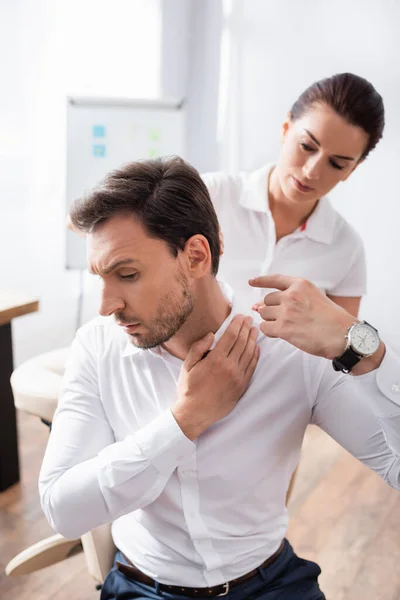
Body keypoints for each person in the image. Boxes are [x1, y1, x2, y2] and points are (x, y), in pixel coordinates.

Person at [40, 157, 400, 600]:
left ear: (195, 255)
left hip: (270, 584)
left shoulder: (289, 350)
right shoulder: (97, 346)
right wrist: (184, 421)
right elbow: (62, 511)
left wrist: (367, 352)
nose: (106, 304)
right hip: (141, 587)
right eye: (100, 277)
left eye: (127, 275)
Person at [203, 72, 385, 317]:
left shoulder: (346, 248)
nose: (312, 171)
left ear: (352, 169)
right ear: (286, 129)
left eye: (337, 164)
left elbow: (340, 350)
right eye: (307, 146)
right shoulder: (210, 195)